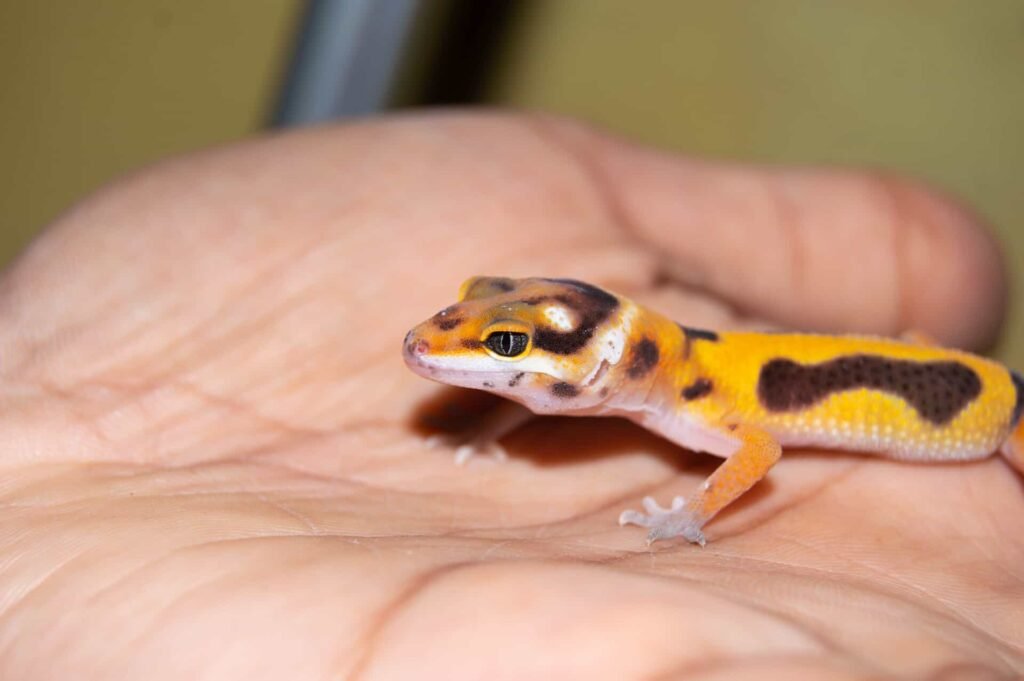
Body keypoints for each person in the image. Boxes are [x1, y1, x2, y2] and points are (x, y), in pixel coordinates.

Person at [1, 113, 1016, 679]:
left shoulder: (702, 405)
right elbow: (551, 394)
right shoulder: (636, 382)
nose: (444, 348)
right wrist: (489, 411)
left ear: (609, 366)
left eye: (497, 347)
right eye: (483, 327)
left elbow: (759, 456)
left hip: (989, 411)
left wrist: (687, 516)